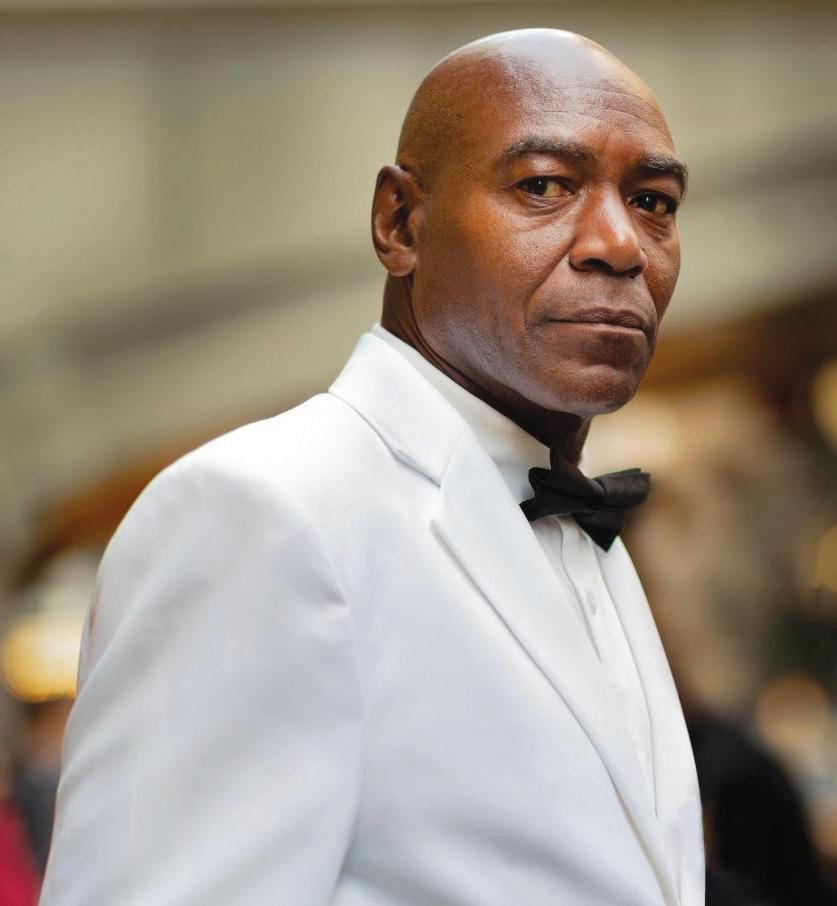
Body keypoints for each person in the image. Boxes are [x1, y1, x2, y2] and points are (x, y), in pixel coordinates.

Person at [42, 28, 704, 906]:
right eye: (543, 186)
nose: (619, 244)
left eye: (653, 201)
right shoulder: (261, 511)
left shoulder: (583, 530)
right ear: (399, 223)